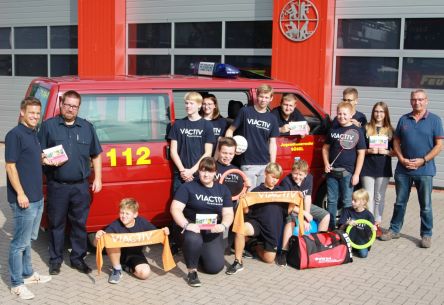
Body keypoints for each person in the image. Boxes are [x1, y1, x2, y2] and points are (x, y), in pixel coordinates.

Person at [38, 90, 103, 275]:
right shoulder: (49, 126)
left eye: (74, 106)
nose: (70, 109)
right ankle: (55, 260)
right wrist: (46, 160)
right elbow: (38, 154)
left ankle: (77, 259)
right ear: (61, 104)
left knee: (79, 224)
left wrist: (98, 178)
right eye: (67, 105)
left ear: (78, 108)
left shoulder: (87, 127)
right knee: (56, 224)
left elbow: (96, 154)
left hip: (80, 186)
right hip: (57, 186)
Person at [380, 89, 443, 248]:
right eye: (414, 99)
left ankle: (426, 234)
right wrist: (401, 158)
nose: (417, 102)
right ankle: (394, 230)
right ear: (410, 101)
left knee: (426, 205)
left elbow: (439, 145)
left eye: (421, 99)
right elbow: (396, 141)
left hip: (425, 171)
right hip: (403, 170)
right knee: (400, 203)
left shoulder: (435, 120)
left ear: (426, 101)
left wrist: (423, 160)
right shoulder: (404, 119)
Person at [6, 97, 52, 300]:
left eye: (37, 113)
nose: (34, 116)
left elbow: (31, 159)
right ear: (22, 112)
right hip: (24, 199)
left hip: (36, 196)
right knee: (18, 243)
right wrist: (21, 194)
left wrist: (46, 159)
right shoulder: (14, 135)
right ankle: (16, 283)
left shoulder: (33, 133)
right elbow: (10, 166)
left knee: (28, 241)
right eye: (31, 112)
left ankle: (28, 274)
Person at [170, 157, 233, 287]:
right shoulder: (187, 187)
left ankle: (195, 253)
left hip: (212, 228)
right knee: (193, 240)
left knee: (214, 268)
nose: (206, 174)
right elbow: (175, 209)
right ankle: (192, 272)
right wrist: (186, 225)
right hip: (192, 225)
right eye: (203, 171)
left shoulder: (223, 190)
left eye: (209, 171)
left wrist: (223, 225)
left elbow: (228, 213)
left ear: (215, 172)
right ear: (198, 171)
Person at [226, 163, 290, 275]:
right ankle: (238, 261)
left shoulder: (281, 192)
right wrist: (243, 200)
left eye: (277, 178)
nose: (275, 180)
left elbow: (287, 212)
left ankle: (254, 244)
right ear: (265, 174)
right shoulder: (256, 191)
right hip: (257, 224)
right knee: (241, 229)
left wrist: (295, 201)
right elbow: (246, 211)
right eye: (272, 177)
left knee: (269, 259)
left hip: (272, 229)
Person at [94, 198, 169, 284]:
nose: (123, 216)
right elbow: (97, 245)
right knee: (111, 241)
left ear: (135, 214)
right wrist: (97, 238)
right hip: (118, 255)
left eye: (127, 213)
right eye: (122, 212)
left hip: (135, 254)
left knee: (145, 274)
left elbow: (157, 234)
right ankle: (116, 269)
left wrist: (164, 232)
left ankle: (126, 268)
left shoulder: (142, 222)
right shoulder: (115, 225)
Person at [322, 101, 366, 229]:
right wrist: (326, 164)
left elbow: (361, 153)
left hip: (348, 173)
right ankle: (330, 228)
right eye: (339, 114)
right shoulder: (333, 129)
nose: (342, 116)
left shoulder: (356, 131)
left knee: (347, 201)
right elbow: (325, 149)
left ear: (351, 114)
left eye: (345, 114)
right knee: (331, 201)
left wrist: (356, 174)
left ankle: (346, 228)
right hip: (332, 173)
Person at [225, 84, 279, 188]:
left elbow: (272, 143)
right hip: (247, 163)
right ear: (257, 96)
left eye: (266, 97)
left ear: (271, 98)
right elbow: (230, 131)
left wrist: (272, 164)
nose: (263, 100)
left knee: (260, 197)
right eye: (261, 96)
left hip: (265, 164)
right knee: (248, 195)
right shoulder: (245, 112)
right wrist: (232, 148)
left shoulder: (272, 118)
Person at [277, 159, 330, 266]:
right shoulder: (286, 182)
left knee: (326, 215)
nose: (297, 177)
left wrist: (306, 215)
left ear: (306, 174)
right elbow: (287, 205)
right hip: (290, 207)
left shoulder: (309, 178)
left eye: (300, 174)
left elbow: (308, 198)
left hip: (302, 206)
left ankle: (318, 245)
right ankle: (283, 252)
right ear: (291, 172)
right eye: (295, 173)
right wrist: (304, 214)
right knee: (290, 221)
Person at [168, 91, 215, 193]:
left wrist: (192, 171)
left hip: (199, 174)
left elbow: (208, 153)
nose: (188, 106)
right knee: (178, 206)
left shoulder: (207, 126)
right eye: (186, 103)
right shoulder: (178, 124)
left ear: (199, 105)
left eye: (191, 103)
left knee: (197, 206)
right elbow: (173, 151)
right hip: (180, 175)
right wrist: (183, 171)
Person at [361, 102, 394, 233]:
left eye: (381, 111)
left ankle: (377, 223)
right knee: (368, 196)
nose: (378, 114)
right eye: (376, 111)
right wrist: (369, 151)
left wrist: (387, 152)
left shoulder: (391, 130)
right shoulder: (366, 128)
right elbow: (360, 149)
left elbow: (396, 151)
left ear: (385, 113)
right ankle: (368, 223)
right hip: (367, 167)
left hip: (383, 168)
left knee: (379, 197)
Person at [338, 189, 375, 258]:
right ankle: (350, 248)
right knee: (343, 253)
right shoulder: (347, 211)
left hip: (361, 241)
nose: (352, 202)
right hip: (348, 239)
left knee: (363, 255)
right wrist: (347, 223)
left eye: (355, 201)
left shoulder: (369, 215)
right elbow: (340, 228)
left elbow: (371, 233)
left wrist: (374, 229)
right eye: (352, 199)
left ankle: (355, 249)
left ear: (363, 202)